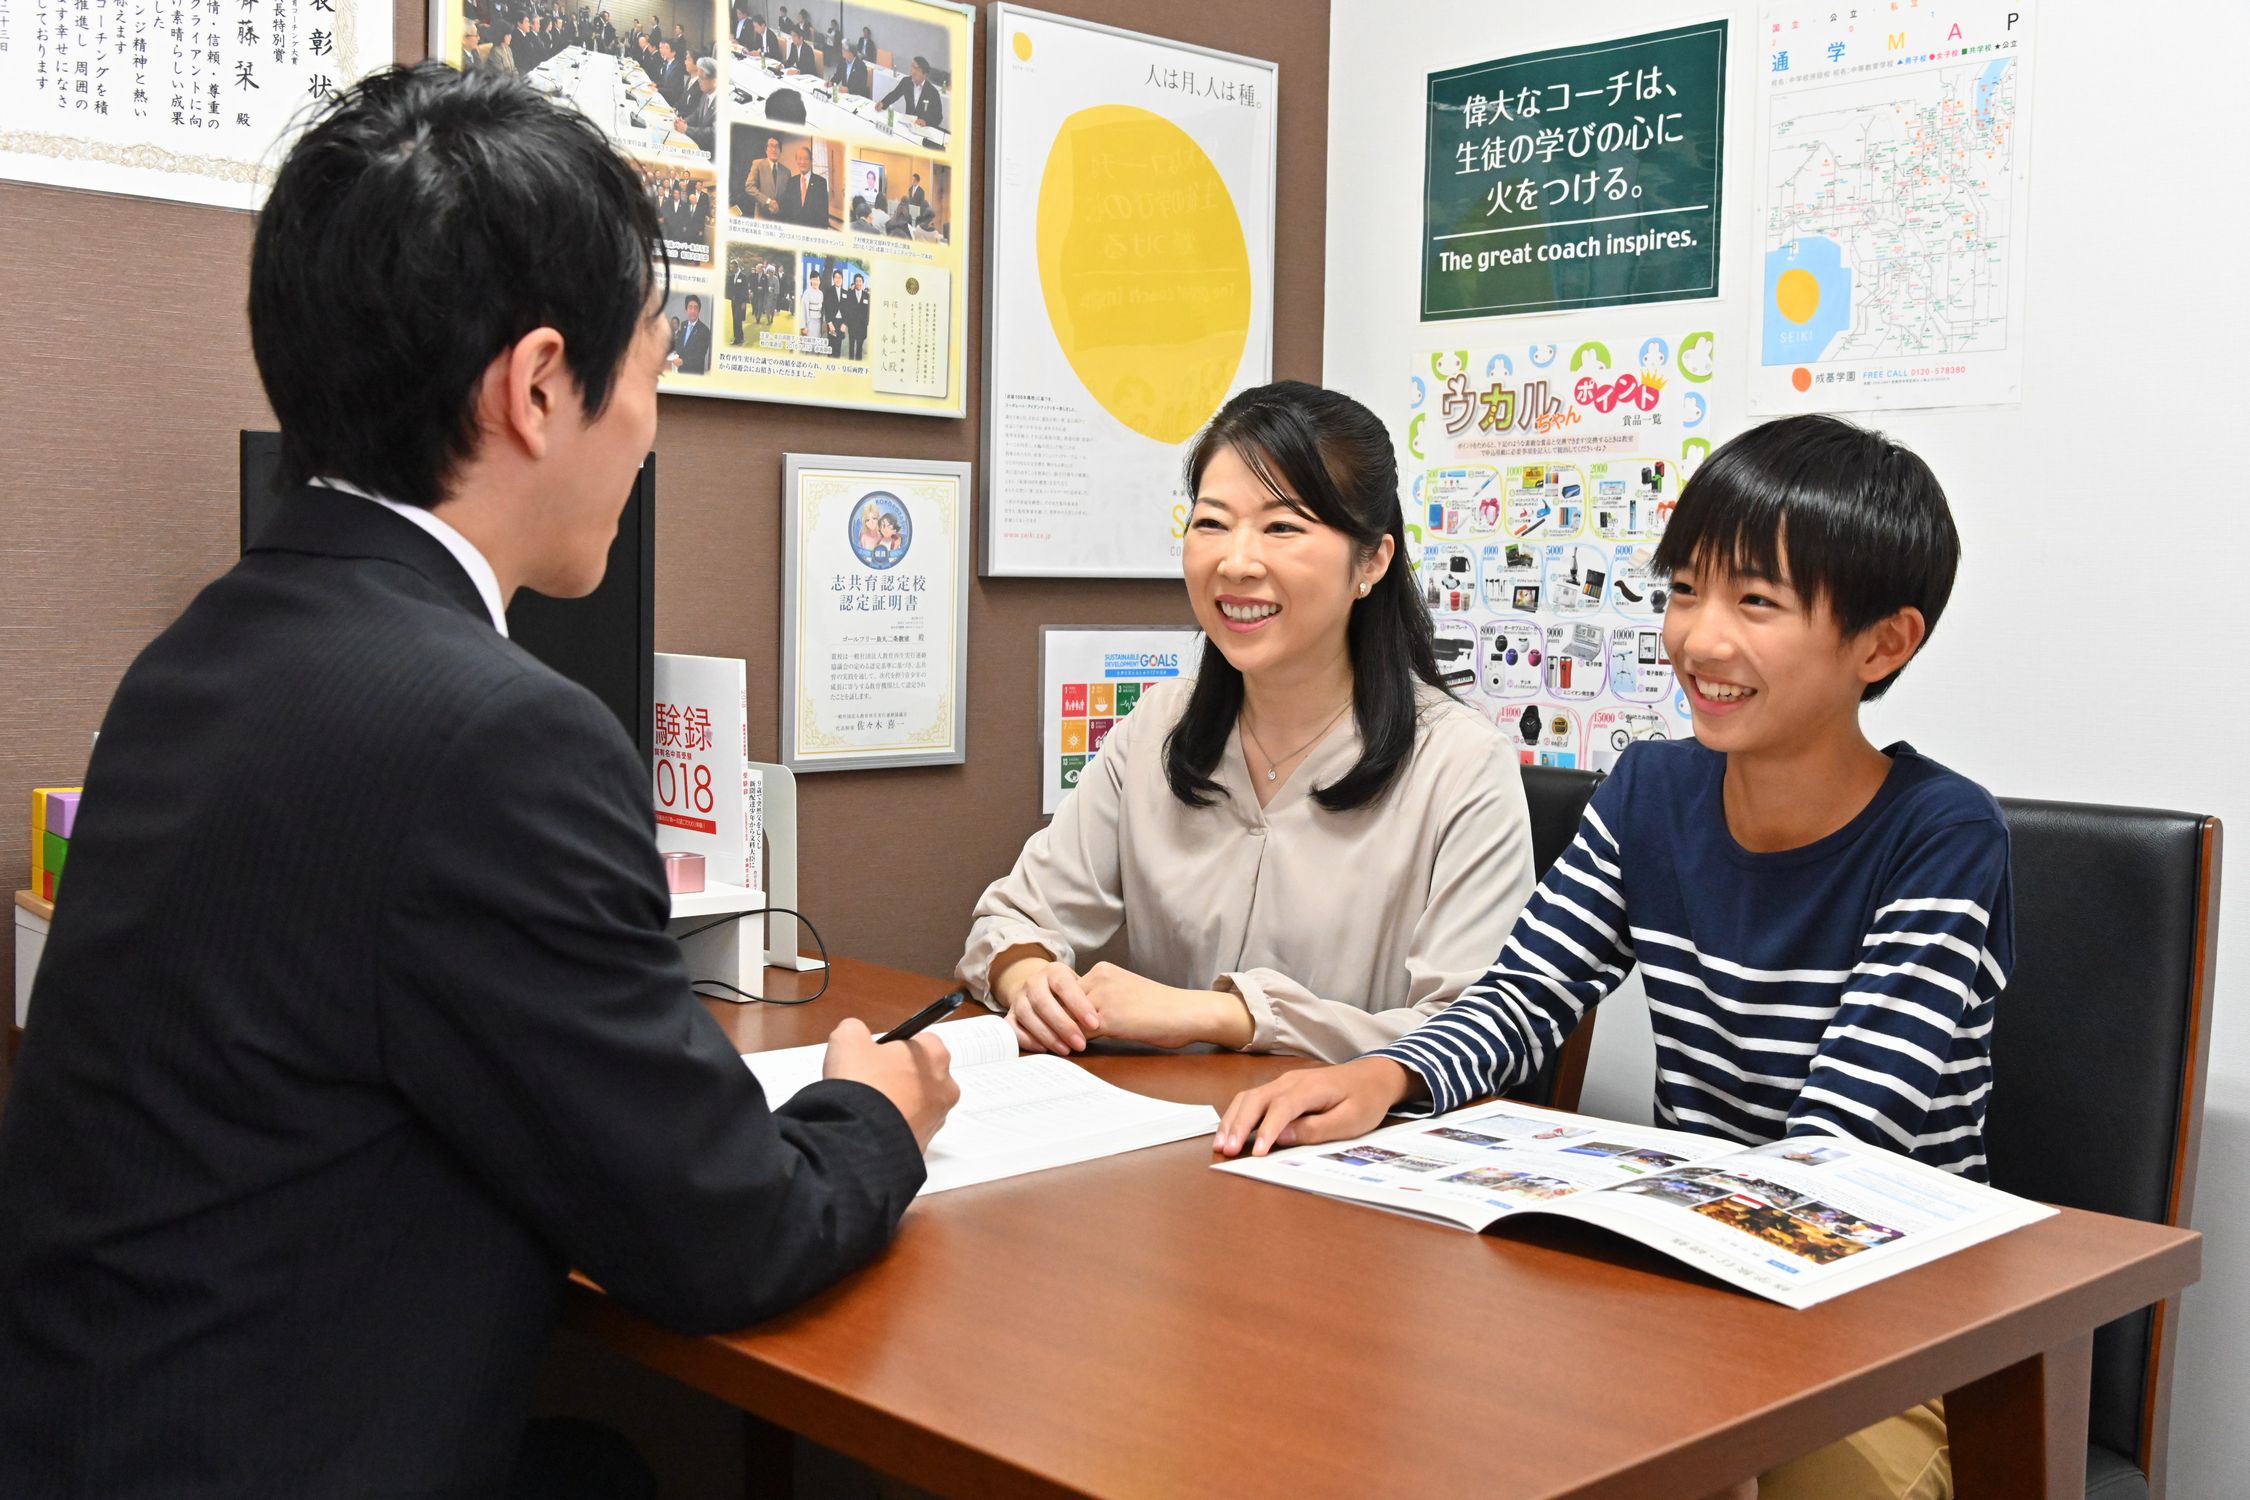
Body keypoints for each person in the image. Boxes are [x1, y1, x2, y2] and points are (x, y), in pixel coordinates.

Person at [0, 63, 958, 1500]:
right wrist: (872, 1111)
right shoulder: (496, 735)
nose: (648, 429)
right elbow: (723, 1237)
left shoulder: (200, 656)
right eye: (647, 380)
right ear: (537, 386)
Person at [1216, 413, 2006, 1500]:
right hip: (1693, 1284)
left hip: (1890, 1318)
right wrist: (1386, 1074)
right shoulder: (1651, 792)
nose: (1700, 638)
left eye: (1755, 602)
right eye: (1685, 591)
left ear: (1884, 643)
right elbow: (1531, 991)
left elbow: (1842, 1141)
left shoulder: (1943, 834)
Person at [958, 382, 1535, 1059]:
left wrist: (1229, 1016)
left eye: (1282, 526)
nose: (1235, 562)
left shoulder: (1461, 765)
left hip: (1344, 1149)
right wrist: (1032, 981)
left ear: (1371, 561)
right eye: (1211, 523)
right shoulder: (1159, 726)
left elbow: (1476, 1035)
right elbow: (1011, 919)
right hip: (1161, 1138)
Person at [878, 54, 943, 128]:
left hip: (923, 128)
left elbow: (938, 117)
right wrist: (883, 103)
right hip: (908, 124)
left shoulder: (932, 92)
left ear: (924, 75)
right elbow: (894, 95)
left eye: (917, 69)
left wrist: (925, 121)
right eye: (912, 67)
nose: (913, 71)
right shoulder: (906, 82)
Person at [739, 132, 788, 218]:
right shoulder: (758, 164)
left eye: (777, 146)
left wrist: (778, 206)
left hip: (780, 217)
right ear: (766, 150)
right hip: (762, 216)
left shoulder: (786, 171)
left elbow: (788, 195)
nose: (774, 150)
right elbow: (749, 187)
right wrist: (768, 201)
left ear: (780, 151)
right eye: (771, 146)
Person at [783, 140, 828, 227]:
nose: (802, 162)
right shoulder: (791, 182)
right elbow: (786, 211)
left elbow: (823, 216)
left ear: (811, 161)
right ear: (796, 161)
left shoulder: (821, 182)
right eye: (800, 159)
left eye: (806, 159)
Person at [679, 57, 720, 154]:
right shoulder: (706, 93)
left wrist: (687, 129)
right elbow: (697, 113)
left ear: (714, 80)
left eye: (702, 78)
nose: (698, 81)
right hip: (698, 144)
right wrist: (685, 121)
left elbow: (713, 132)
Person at [672, 293, 712, 374]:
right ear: (686, 309)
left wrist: (682, 361)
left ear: (699, 311)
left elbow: (699, 356)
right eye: (690, 307)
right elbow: (681, 345)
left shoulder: (704, 330)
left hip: (694, 374)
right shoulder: (683, 325)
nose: (693, 311)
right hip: (681, 371)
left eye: (695, 308)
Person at [843, 270, 870, 360]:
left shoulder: (866, 295)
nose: (858, 283)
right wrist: (847, 323)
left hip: (862, 327)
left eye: (860, 281)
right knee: (851, 347)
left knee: (859, 347)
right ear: (854, 282)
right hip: (852, 326)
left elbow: (868, 311)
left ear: (863, 282)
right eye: (857, 281)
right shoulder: (849, 293)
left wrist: (866, 323)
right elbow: (846, 309)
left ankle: (858, 363)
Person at [800, 267, 825, 354]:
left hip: (818, 322)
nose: (816, 282)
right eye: (814, 279)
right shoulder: (807, 293)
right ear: (810, 280)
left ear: (820, 281)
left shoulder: (821, 293)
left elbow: (822, 309)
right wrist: (804, 326)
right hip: (809, 323)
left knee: (816, 347)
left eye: (817, 280)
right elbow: (803, 310)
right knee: (809, 347)